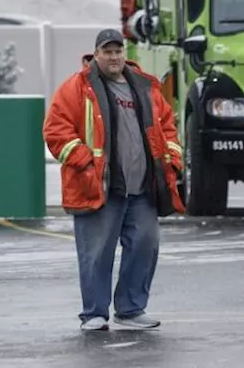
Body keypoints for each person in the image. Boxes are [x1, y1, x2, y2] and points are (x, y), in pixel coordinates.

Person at [43, 29, 185, 332]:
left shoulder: (147, 87)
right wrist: (84, 161)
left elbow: (167, 127)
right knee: (96, 253)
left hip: (143, 189)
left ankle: (131, 310)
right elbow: (56, 130)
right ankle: (94, 313)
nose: (114, 56)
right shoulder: (78, 87)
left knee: (146, 244)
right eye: (107, 51)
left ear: (125, 53)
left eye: (118, 50)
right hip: (99, 188)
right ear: (96, 54)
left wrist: (172, 160)